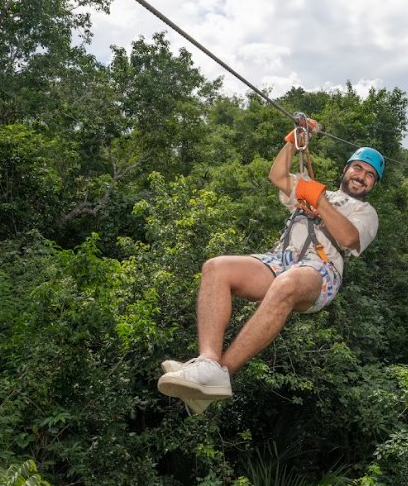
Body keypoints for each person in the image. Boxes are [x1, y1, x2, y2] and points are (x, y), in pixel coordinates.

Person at [157, 121, 383, 413]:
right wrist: (293, 140)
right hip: (282, 259)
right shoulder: (316, 190)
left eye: (370, 176)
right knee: (216, 268)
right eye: (358, 169)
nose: (362, 177)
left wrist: (318, 200)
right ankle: (207, 363)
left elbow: (350, 238)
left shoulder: (366, 212)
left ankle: (220, 373)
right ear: (346, 169)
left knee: (287, 285)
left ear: (373, 185)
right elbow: (277, 176)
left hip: (321, 270)